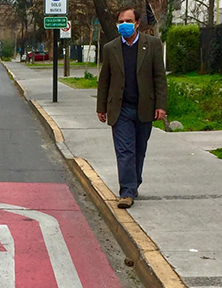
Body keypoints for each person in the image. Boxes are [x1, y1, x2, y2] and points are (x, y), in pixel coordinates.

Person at [96, 7, 167, 209]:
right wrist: (101, 107)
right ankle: (126, 192)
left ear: (137, 24)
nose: (124, 25)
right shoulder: (111, 48)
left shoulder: (152, 45)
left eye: (128, 21)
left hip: (144, 107)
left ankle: (134, 183)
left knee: (139, 150)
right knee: (125, 151)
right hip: (121, 109)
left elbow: (159, 78)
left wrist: (161, 105)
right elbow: (104, 80)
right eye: (120, 21)